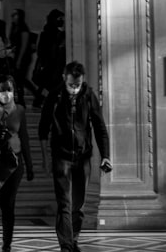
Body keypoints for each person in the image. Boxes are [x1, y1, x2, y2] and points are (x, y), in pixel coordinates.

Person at [38, 61, 111, 252]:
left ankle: (74, 238)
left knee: (78, 204)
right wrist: (46, 159)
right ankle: (66, 246)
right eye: (71, 85)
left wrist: (106, 155)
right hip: (61, 156)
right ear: (65, 78)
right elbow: (43, 128)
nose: (74, 90)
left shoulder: (88, 96)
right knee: (64, 203)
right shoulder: (54, 96)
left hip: (83, 156)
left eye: (77, 85)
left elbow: (100, 127)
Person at [0, 75, 34, 252]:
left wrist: (30, 165)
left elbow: (24, 138)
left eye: (9, 90)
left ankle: (6, 245)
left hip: (14, 163)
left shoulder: (19, 110)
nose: (6, 94)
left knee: (8, 204)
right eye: (2, 90)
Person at [33, 9, 66, 108]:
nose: (62, 21)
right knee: (49, 85)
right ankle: (42, 101)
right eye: (60, 18)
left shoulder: (47, 31)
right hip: (51, 64)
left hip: (48, 64)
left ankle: (41, 100)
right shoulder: (54, 34)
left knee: (47, 85)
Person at [11, 8, 41, 104]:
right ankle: (23, 98)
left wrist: (19, 60)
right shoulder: (15, 27)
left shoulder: (23, 28)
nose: (13, 16)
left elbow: (24, 45)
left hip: (23, 57)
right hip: (17, 55)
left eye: (15, 14)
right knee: (19, 79)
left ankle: (30, 96)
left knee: (21, 78)